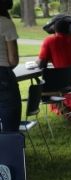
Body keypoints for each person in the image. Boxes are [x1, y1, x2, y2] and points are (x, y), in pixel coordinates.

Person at [0, 0, 20, 132]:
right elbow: (13, 60)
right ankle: (10, 151)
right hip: (2, 76)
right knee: (10, 123)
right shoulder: (5, 23)